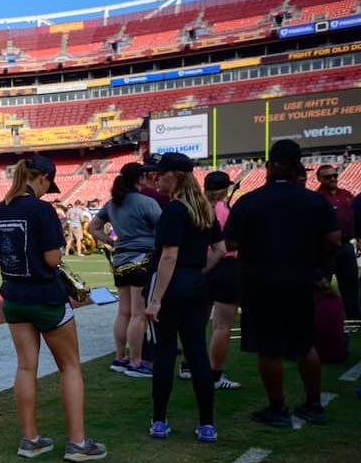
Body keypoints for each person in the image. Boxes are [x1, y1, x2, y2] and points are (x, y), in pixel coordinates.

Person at [0, 154, 106, 463]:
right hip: (46, 298)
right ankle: (77, 443)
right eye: (47, 183)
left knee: (26, 367)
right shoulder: (42, 210)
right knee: (70, 367)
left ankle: (30, 439)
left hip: (13, 298)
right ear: (42, 179)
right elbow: (52, 260)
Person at [224, 140, 340, 427]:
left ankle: (277, 408)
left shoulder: (250, 201)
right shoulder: (314, 200)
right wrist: (315, 261)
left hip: (260, 281)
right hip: (300, 278)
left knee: (269, 347)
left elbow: (231, 241)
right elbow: (334, 239)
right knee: (304, 345)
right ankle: (314, 404)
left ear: (269, 166)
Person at [142, 153, 225, 443]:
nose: (156, 178)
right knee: (197, 353)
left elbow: (169, 255)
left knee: (165, 353)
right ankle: (206, 424)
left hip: (171, 285)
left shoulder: (175, 209)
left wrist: (156, 300)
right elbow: (219, 249)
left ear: (174, 175)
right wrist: (198, 271)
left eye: (160, 174)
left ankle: (160, 421)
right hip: (195, 285)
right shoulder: (204, 206)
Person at [89, 162, 160, 379]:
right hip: (143, 259)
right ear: (140, 179)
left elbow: (93, 227)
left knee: (123, 312)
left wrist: (111, 242)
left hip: (120, 261)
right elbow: (163, 229)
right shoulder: (147, 202)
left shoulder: (113, 203)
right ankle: (136, 361)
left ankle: (120, 358)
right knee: (138, 314)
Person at [202, 172, 243, 390]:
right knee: (222, 326)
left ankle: (190, 366)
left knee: (198, 323)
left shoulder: (197, 206)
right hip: (224, 265)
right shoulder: (222, 209)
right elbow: (232, 241)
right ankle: (215, 375)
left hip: (202, 265)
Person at [315, 164, 359, 319]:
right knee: (323, 284)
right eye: (328, 177)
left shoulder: (347, 195)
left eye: (335, 175)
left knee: (351, 284)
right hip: (325, 248)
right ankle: (324, 319)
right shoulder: (317, 198)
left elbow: (356, 218)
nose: (333, 178)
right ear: (319, 179)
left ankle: (353, 318)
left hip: (346, 245)